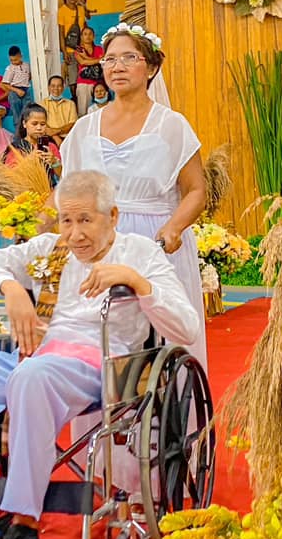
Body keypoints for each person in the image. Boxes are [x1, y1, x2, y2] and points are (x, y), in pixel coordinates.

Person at [0, 170, 201, 539]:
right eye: (66, 220)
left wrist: (135, 281)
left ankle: (23, 530)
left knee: (32, 377)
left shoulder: (139, 253)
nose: (75, 233)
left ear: (112, 216)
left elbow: (186, 326)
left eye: (86, 220)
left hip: (98, 363)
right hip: (37, 354)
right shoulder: (51, 249)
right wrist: (11, 289)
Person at [60, 24, 208, 371]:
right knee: (102, 339)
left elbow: (196, 190)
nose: (118, 67)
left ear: (151, 67)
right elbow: (67, 190)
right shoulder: (84, 128)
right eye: (110, 59)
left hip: (156, 242)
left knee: (163, 338)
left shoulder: (171, 125)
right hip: (99, 242)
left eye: (129, 58)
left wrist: (174, 227)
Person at [4, 103, 61, 187]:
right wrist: (30, 160)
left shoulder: (50, 146)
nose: (39, 128)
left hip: (49, 191)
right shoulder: (16, 148)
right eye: (34, 124)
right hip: (25, 192)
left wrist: (54, 162)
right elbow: (9, 177)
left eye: (43, 124)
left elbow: (61, 175)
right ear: (24, 124)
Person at [58, 0, 84, 98]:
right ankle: (75, 100)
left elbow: (83, 28)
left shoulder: (81, 9)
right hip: (69, 51)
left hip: (81, 49)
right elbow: (61, 33)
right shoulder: (62, 11)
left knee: (83, 77)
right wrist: (64, 52)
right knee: (73, 80)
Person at [74, 26, 105, 117]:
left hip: (98, 84)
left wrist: (86, 57)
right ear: (81, 37)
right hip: (83, 83)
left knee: (99, 111)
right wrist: (98, 60)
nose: (88, 36)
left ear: (94, 36)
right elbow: (83, 62)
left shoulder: (99, 49)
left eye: (90, 34)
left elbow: (103, 60)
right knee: (83, 112)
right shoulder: (78, 50)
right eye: (85, 34)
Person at [0, 46, 32, 130]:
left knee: (26, 111)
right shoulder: (10, 68)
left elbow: (29, 76)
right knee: (16, 113)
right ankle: (18, 132)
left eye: (16, 60)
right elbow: (5, 83)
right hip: (14, 91)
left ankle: (26, 131)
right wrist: (17, 90)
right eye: (12, 60)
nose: (14, 62)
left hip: (26, 90)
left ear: (21, 56)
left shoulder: (27, 65)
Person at [42, 76, 78, 145]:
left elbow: (72, 124)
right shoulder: (42, 104)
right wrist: (55, 137)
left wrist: (57, 131)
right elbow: (42, 124)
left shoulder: (70, 104)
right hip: (49, 137)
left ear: (63, 88)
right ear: (48, 88)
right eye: (53, 86)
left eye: (59, 86)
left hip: (68, 137)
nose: (56, 88)